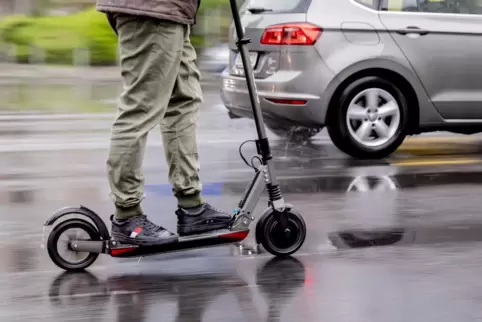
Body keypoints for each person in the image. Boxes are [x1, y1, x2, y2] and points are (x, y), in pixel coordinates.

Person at [96, 0, 233, 246]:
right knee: (140, 108)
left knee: (183, 100)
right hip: (151, 9)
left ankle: (191, 206)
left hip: (172, 11)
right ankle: (128, 216)